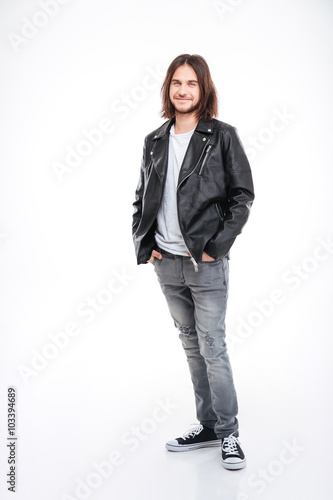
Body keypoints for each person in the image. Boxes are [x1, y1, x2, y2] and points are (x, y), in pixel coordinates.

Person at [132, 54, 254, 470]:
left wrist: (215, 247)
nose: (183, 90)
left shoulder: (221, 136)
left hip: (206, 265)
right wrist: (144, 242)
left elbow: (243, 197)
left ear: (204, 89)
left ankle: (229, 433)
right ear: (168, 88)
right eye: (176, 83)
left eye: (192, 84)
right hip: (165, 263)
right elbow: (141, 197)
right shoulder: (154, 140)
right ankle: (206, 427)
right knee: (191, 347)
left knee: (213, 347)